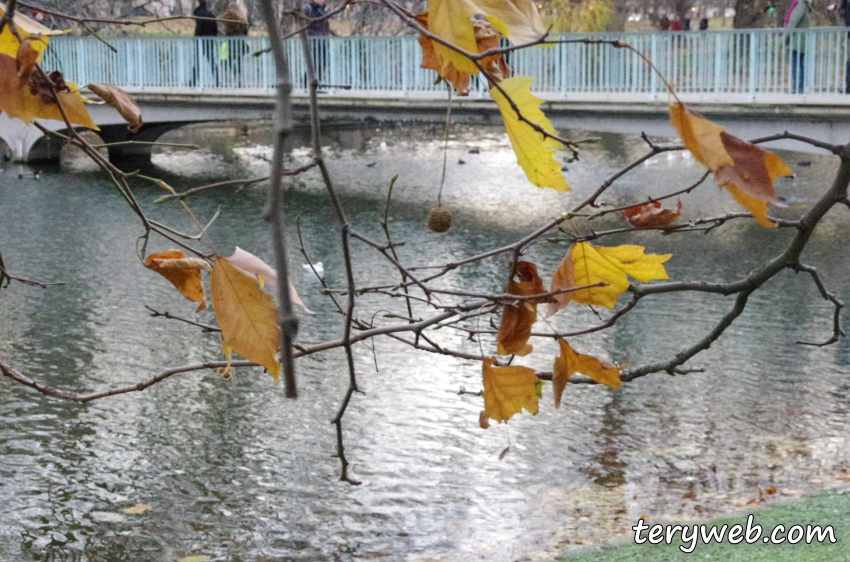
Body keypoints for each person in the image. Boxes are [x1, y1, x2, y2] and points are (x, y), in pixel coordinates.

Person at [785, 0, 813, 94]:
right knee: (799, 63)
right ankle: (798, 86)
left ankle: (798, 86)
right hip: (800, 40)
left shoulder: (800, 5)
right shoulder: (803, 5)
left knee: (795, 63)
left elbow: (793, 21)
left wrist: (786, 37)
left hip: (797, 40)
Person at [304, 0, 332, 87]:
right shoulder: (308, 9)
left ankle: (317, 84)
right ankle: (307, 84)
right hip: (314, 42)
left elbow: (325, 26)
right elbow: (306, 25)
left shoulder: (323, 10)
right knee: (314, 64)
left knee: (322, 64)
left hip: (323, 41)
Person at [191, 0, 218, 87]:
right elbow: (215, 29)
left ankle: (194, 81)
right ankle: (217, 80)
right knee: (212, 62)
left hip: (201, 42)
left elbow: (198, 29)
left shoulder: (200, 15)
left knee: (197, 62)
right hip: (209, 42)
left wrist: (196, 38)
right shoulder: (211, 15)